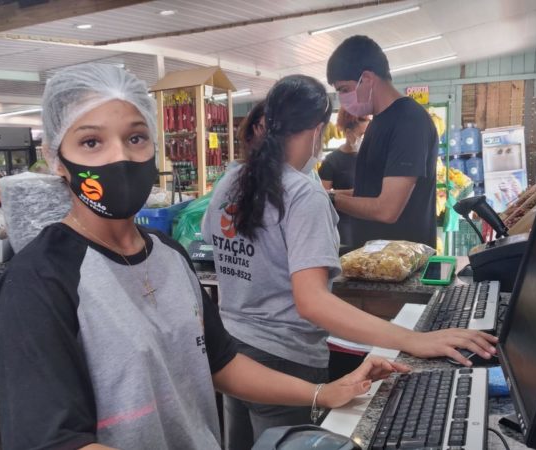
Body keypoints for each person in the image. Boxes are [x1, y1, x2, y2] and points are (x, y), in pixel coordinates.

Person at [0, 63, 407, 450]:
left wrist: (321, 392)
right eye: (91, 141)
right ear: (58, 160)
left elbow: (221, 363)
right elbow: (53, 441)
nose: (119, 158)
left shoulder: (167, 255)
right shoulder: (39, 281)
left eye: (135, 137)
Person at [203, 74, 497, 449]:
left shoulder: (230, 182)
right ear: (317, 130)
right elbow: (312, 302)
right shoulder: (302, 194)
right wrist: (413, 339)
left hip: (234, 355)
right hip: (282, 361)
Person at [326, 35, 439, 248]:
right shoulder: (378, 121)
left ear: (367, 79)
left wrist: (330, 200)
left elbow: (387, 209)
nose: (342, 98)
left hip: (402, 268)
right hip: (377, 263)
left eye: (344, 89)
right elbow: (369, 192)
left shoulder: (409, 121)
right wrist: (325, 194)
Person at [318, 108, 369, 245]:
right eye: (362, 135)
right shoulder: (331, 161)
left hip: (368, 221)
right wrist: (351, 193)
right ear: (348, 133)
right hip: (344, 226)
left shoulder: (370, 159)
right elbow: (322, 195)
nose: (365, 139)